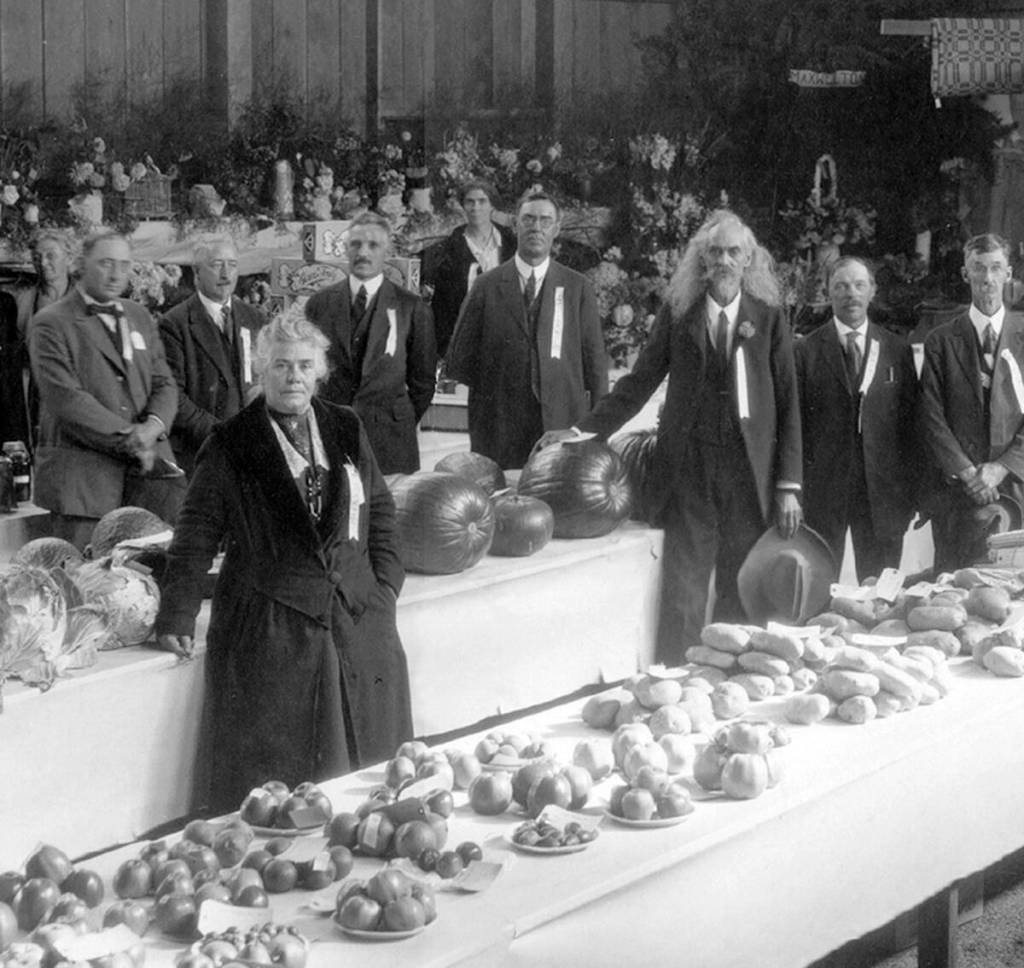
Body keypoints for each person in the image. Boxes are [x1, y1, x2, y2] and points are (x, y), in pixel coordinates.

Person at [155, 307, 412, 811]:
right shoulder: (231, 442)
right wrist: (177, 613)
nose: (293, 376)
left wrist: (387, 583)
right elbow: (195, 534)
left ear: (319, 372)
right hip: (273, 623)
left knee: (370, 774)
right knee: (280, 789)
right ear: (261, 370)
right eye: (281, 365)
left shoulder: (345, 425)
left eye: (303, 365)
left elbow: (379, 507)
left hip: (357, 615)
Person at [537, 210, 802, 663]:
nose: (724, 260)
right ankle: (678, 678)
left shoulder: (769, 318)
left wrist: (788, 485)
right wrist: (583, 431)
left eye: (733, 252)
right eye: (715, 252)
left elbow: (789, 402)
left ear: (748, 259)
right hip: (689, 468)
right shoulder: (679, 314)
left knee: (741, 585)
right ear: (702, 259)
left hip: (749, 473)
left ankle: (733, 676)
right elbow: (639, 381)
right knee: (684, 588)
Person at [28, 230, 184, 548]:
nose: (116, 275)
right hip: (83, 491)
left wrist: (154, 426)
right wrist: (133, 439)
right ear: (81, 264)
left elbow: (165, 383)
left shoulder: (139, 315)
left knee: (146, 575)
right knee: (84, 574)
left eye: (124, 265)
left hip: (147, 487)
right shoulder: (50, 322)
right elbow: (67, 400)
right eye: (106, 263)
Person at [446, 190, 608, 470]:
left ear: (556, 229)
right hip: (499, 433)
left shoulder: (577, 288)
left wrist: (596, 432)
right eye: (529, 219)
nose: (536, 227)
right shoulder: (486, 286)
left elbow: (595, 367)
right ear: (515, 225)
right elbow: (460, 362)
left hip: (561, 430)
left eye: (545, 221)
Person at [795, 256, 918, 581]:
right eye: (841, 286)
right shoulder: (805, 352)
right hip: (823, 492)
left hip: (882, 492)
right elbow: (795, 428)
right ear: (828, 292)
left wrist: (912, 494)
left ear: (872, 291)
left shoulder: (896, 350)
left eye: (859, 285)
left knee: (879, 593)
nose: (851, 293)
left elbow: (911, 428)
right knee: (818, 588)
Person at [919, 233, 1024, 571]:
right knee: (952, 584)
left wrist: (1001, 467)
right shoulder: (941, 341)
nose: (987, 278)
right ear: (966, 274)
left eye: (996, 268)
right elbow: (931, 415)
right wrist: (969, 474)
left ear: (1008, 273)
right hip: (958, 493)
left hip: (1016, 486)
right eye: (978, 268)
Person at [305, 212, 435, 474]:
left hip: (391, 441)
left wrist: (397, 420)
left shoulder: (411, 307)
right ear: (345, 249)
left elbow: (423, 382)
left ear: (387, 251)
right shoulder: (319, 304)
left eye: (373, 245)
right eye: (356, 244)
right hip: (332, 435)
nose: (363, 252)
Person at [159, 239, 266, 475]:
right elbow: (172, 395)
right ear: (197, 272)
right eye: (217, 265)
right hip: (199, 453)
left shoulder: (255, 319)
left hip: (249, 453)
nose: (226, 274)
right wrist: (221, 434)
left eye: (232, 265)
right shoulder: (174, 324)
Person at [425, 179, 516, 359]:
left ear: (492, 205)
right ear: (463, 206)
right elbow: (441, 305)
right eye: (470, 202)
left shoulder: (511, 244)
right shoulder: (449, 249)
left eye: (482, 201)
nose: (476, 207)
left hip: (506, 336)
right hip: (464, 338)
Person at [4, 229, 74, 449]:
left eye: (51, 255)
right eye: (36, 257)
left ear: (69, 258)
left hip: (76, 395)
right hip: (36, 397)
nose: (43, 263)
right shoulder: (22, 302)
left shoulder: (84, 300)